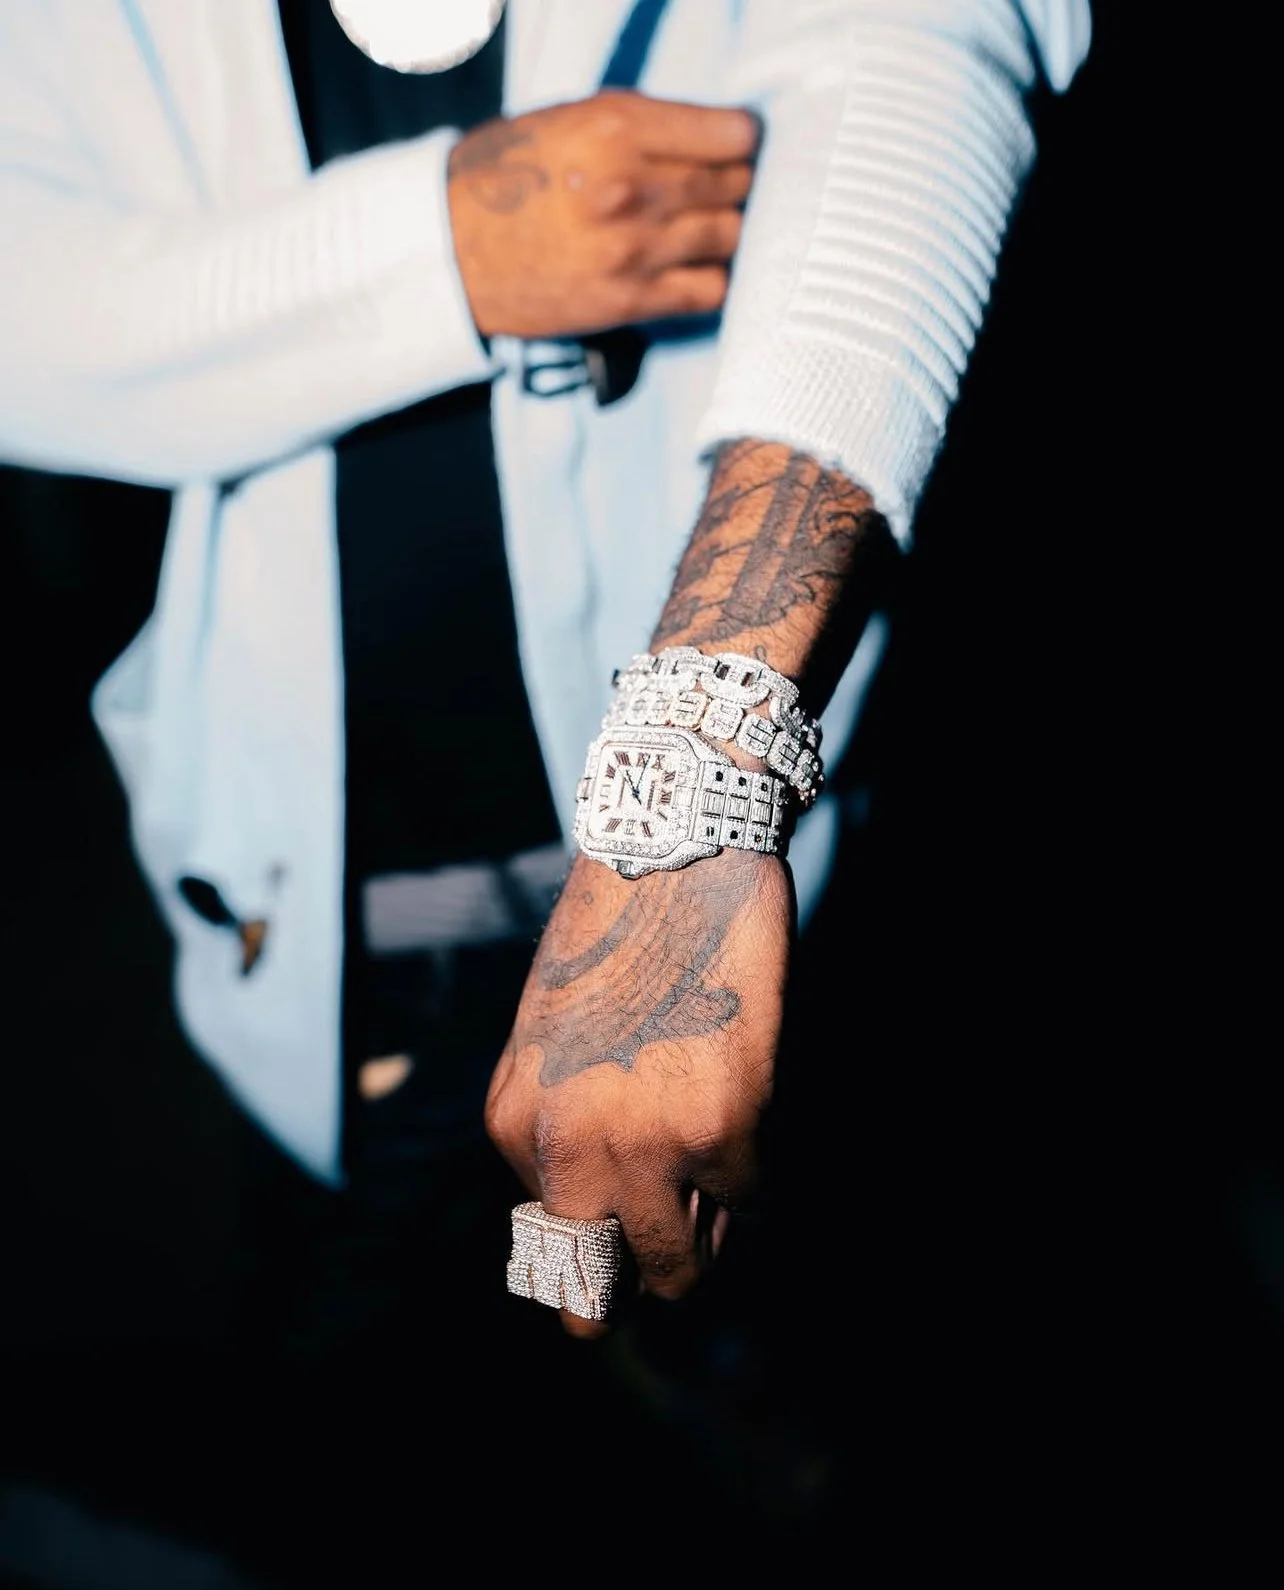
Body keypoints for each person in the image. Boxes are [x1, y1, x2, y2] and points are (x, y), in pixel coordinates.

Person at [0, 0, 1091, 1577]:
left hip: (796, 941)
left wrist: (694, 800)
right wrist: (437, 254)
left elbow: (919, 45)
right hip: (317, 963)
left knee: (864, 1425)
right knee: (385, 1467)